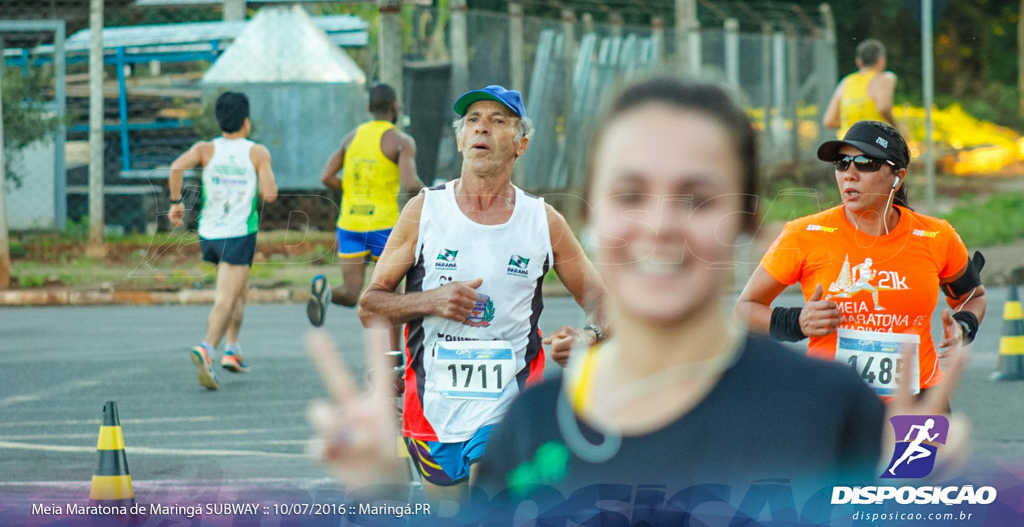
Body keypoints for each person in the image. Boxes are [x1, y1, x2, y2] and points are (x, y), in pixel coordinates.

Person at [305, 80, 965, 510]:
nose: (659, 224)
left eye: (696, 195)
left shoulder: (829, 404)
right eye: (630, 193)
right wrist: (381, 495)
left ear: (743, 222)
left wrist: (933, 502)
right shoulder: (534, 427)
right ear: (595, 218)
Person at [354, 84, 606, 502]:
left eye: (497, 120)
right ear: (459, 139)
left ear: (521, 143)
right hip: (432, 409)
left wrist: (589, 336)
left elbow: (603, 302)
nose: (482, 128)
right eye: (473, 120)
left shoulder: (543, 222)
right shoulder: (424, 211)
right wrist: (431, 301)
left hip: (510, 406)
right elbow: (370, 305)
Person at [735, 119, 986, 401]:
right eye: (842, 162)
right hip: (832, 403)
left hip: (920, 401)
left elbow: (972, 296)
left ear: (897, 176)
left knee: (928, 448)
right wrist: (797, 321)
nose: (849, 174)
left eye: (866, 162)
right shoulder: (804, 234)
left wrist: (963, 328)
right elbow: (745, 309)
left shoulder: (935, 235)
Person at [168, 91, 278, 391]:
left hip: (210, 234)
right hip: (239, 234)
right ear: (246, 121)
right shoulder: (256, 152)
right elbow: (270, 194)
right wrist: (264, 172)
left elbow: (176, 167)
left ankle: (233, 349)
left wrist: (176, 202)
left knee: (238, 291)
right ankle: (207, 348)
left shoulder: (206, 148)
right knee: (226, 298)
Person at [306, 82, 424, 328]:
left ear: (369, 107)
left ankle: (326, 291)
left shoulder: (351, 138)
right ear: (395, 107)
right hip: (384, 226)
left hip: (350, 223)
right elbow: (411, 183)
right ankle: (392, 362)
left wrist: (353, 191)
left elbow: (326, 177)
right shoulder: (401, 141)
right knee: (389, 298)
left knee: (351, 293)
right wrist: (435, 195)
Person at [823, 39, 898, 136]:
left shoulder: (846, 82)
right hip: (874, 142)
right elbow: (883, 107)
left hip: (847, 143)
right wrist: (896, 128)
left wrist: (856, 127)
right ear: (881, 61)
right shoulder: (884, 78)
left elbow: (828, 121)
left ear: (858, 62)